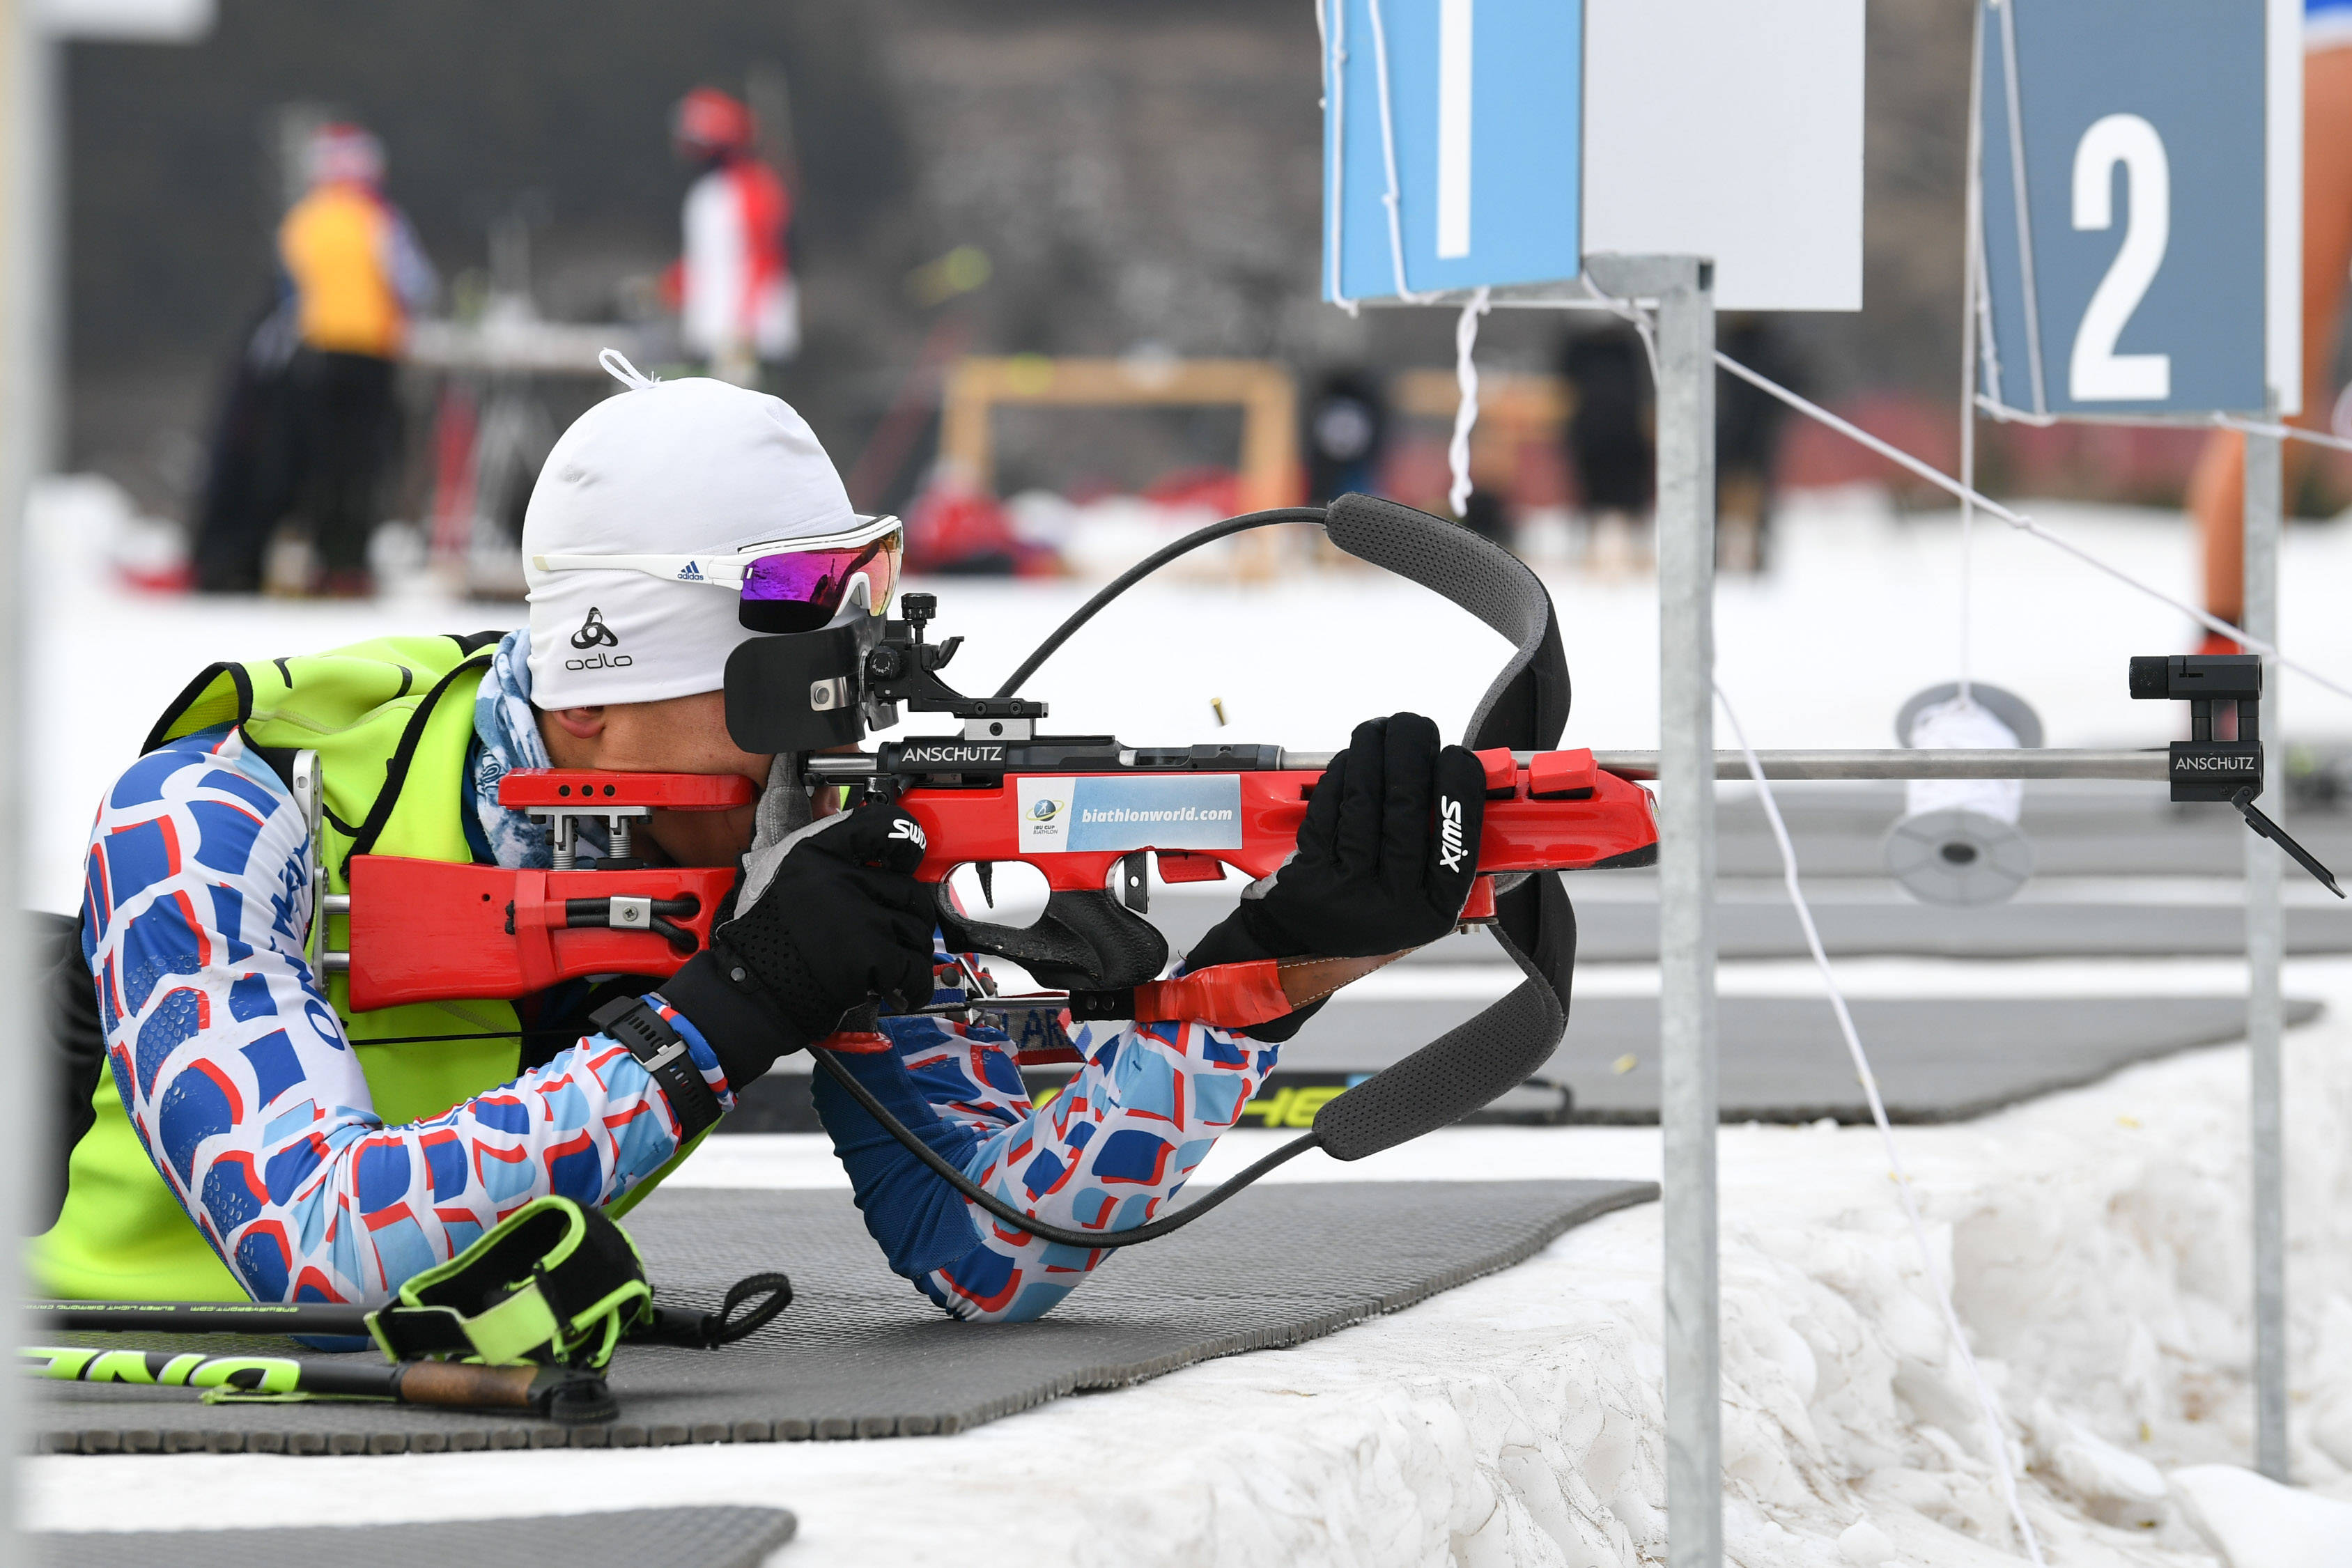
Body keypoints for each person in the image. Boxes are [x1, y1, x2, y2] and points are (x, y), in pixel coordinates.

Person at [39, 359, 1476, 1326]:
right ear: (598, 697)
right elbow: (316, 1241)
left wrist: (1258, 980)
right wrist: (717, 1021)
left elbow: (993, 1245)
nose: (810, 760)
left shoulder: (789, 834)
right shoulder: (231, 807)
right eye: (767, 703)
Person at [2183, 12, 2352, 651]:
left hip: (2308, 52)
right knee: (2271, 387)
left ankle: (2219, 693)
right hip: (2320, 45)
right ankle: (2221, 686)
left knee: (2270, 387)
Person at [272, 122, 438, 596]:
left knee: (321, 465)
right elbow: (414, 283)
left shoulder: (304, 220)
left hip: (317, 354)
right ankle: (352, 565)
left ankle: (320, 563)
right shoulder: (379, 219)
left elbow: (288, 291)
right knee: (364, 465)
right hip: (370, 355)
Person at [672, 88, 799, 387]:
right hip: (714, 339)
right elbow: (705, 262)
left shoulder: (752, 188)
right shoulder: (708, 193)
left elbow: (766, 260)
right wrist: (664, 290)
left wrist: (744, 330)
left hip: (745, 343)